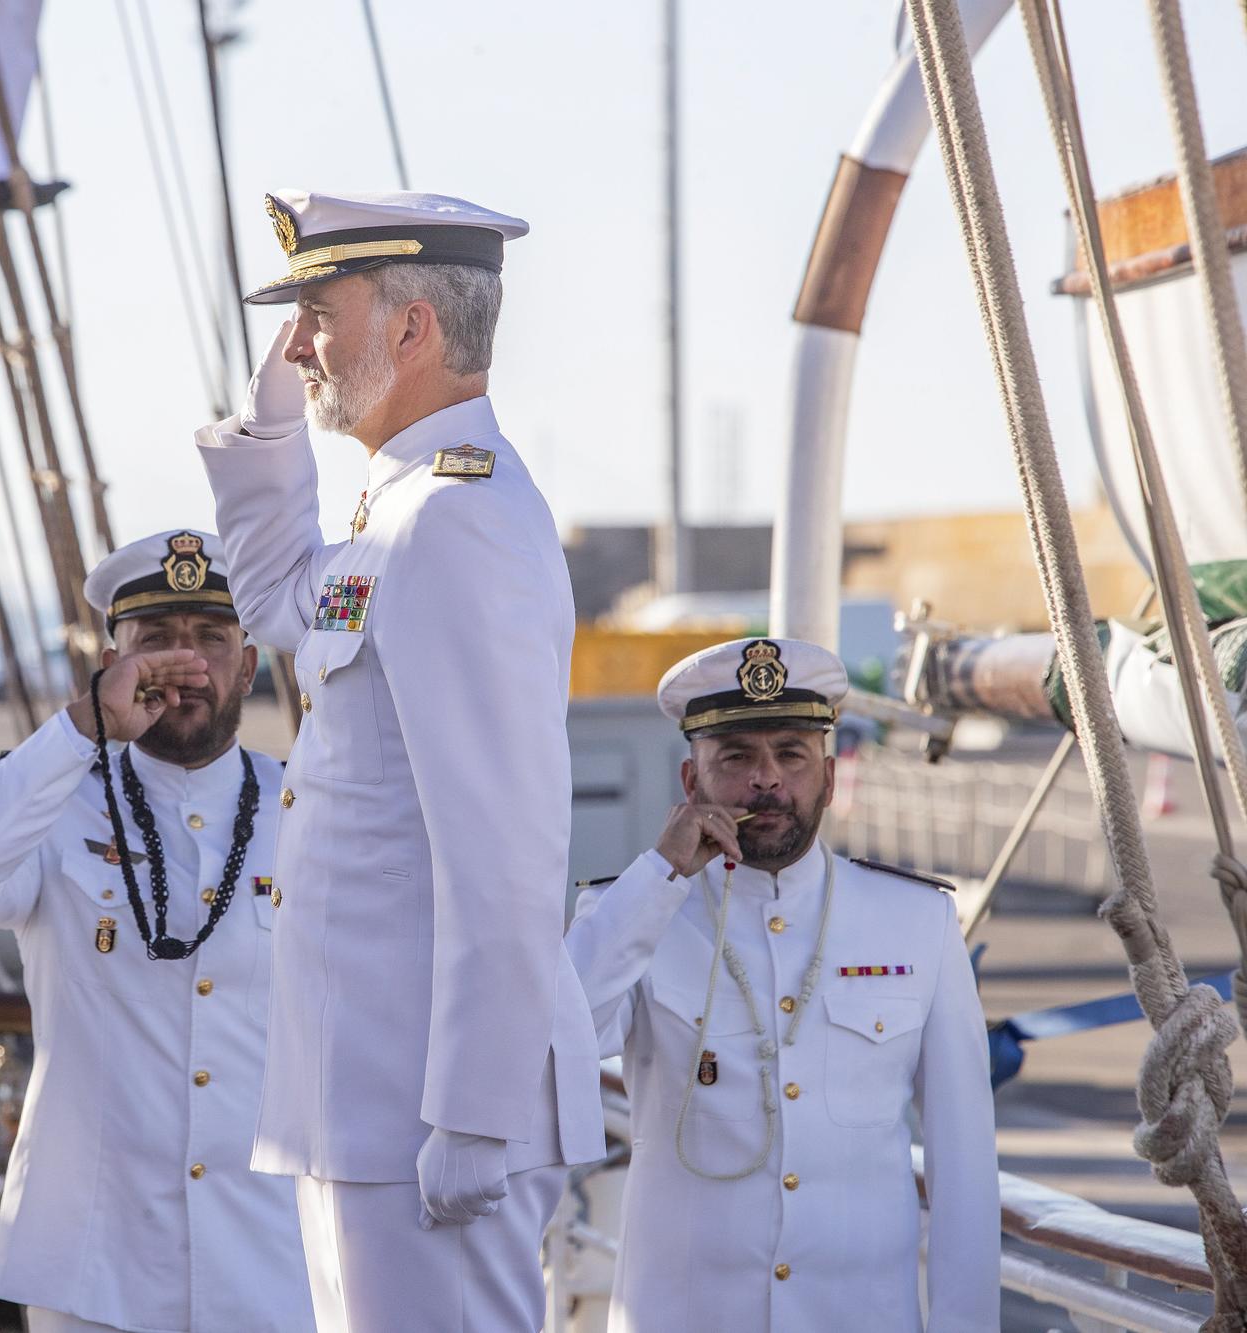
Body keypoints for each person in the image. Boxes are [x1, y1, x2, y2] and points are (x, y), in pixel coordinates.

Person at [194, 189, 604, 1333]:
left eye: (320, 312)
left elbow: (506, 842)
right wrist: (272, 419)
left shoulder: (456, 521)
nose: (299, 341)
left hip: (425, 1103)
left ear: (413, 329)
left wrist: (472, 1109)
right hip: (366, 1095)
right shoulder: (401, 507)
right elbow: (276, 595)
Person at [0, 529, 314, 1333]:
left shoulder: (311, 811)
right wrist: (81, 727)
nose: (184, 662)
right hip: (95, 1262)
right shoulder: (55, 799)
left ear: (249, 665)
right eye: (155, 639)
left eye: (210, 639)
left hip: (270, 1255)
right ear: (111, 658)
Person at [565, 637, 999, 1331]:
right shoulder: (633, 913)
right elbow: (559, 1039)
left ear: (827, 776)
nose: (766, 779)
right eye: (736, 756)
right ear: (690, 782)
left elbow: (965, 1170)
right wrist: (658, 877)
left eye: (790, 753)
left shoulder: (916, 922)